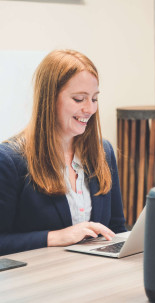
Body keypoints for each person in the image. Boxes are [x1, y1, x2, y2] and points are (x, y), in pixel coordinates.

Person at [0, 49, 126, 256]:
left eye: (94, 99)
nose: (89, 109)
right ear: (48, 100)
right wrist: (55, 237)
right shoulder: (9, 160)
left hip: (97, 276)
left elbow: (117, 228)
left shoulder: (104, 151)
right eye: (79, 99)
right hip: (40, 281)